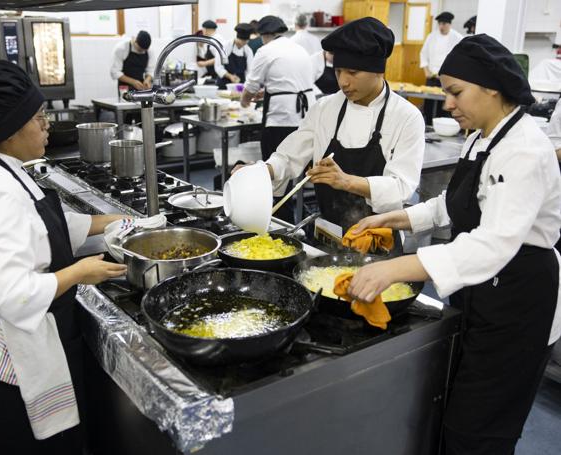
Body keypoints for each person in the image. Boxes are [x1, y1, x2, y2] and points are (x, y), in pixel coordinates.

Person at [347, 34, 561, 455]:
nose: (447, 104)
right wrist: (397, 216)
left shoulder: (523, 151)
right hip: (483, 290)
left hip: (520, 298)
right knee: (459, 403)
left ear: (492, 87)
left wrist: (395, 268)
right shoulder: (484, 134)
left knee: (480, 427)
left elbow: (492, 245)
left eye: (455, 92)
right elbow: (455, 203)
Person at [0, 60, 130, 453]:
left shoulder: (2, 166)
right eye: (39, 118)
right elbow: (11, 292)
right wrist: (79, 272)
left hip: (34, 332)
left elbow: (41, 226)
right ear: (8, 131)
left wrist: (113, 221)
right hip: (15, 351)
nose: (47, 125)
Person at [238, 17, 424, 240]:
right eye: (338, 72)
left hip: (377, 237)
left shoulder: (406, 116)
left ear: (378, 71)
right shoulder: (326, 108)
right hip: (330, 233)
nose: (343, 82)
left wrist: (346, 181)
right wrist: (261, 171)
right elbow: (289, 156)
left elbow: (402, 187)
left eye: (353, 73)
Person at [238, 15, 316, 222]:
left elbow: (252, 85)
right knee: (294, 169)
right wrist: (268, 93)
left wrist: (244, 102)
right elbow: (291, 83)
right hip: (305, 115)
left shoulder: (265, 51)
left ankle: (277, 219)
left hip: (281, 118)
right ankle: (287, 215)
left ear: (264, 35)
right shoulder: (297, 49)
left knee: (275, 171)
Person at [420, 11, 463, 124]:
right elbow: (423, 54)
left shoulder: (457, 38)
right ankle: (428, 124)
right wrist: (426, 70)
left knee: (444, 106)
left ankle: (443, 127)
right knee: (429, 104)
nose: (441, 27)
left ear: (449, 24)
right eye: (439, 24)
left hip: (448, 79)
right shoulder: (431, 37)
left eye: (444, 24)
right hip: (432, 76)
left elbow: (460, 59)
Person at [214, 23, 254, 89]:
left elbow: (249, 71)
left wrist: (248, 84)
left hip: (240, 84)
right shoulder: (225, 46)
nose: (243, 43)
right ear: (237, 37)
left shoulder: (248, 51)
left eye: (246, 42)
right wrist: (230, 76)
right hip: (224, 83)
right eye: (242, 41)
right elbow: (218, 66)